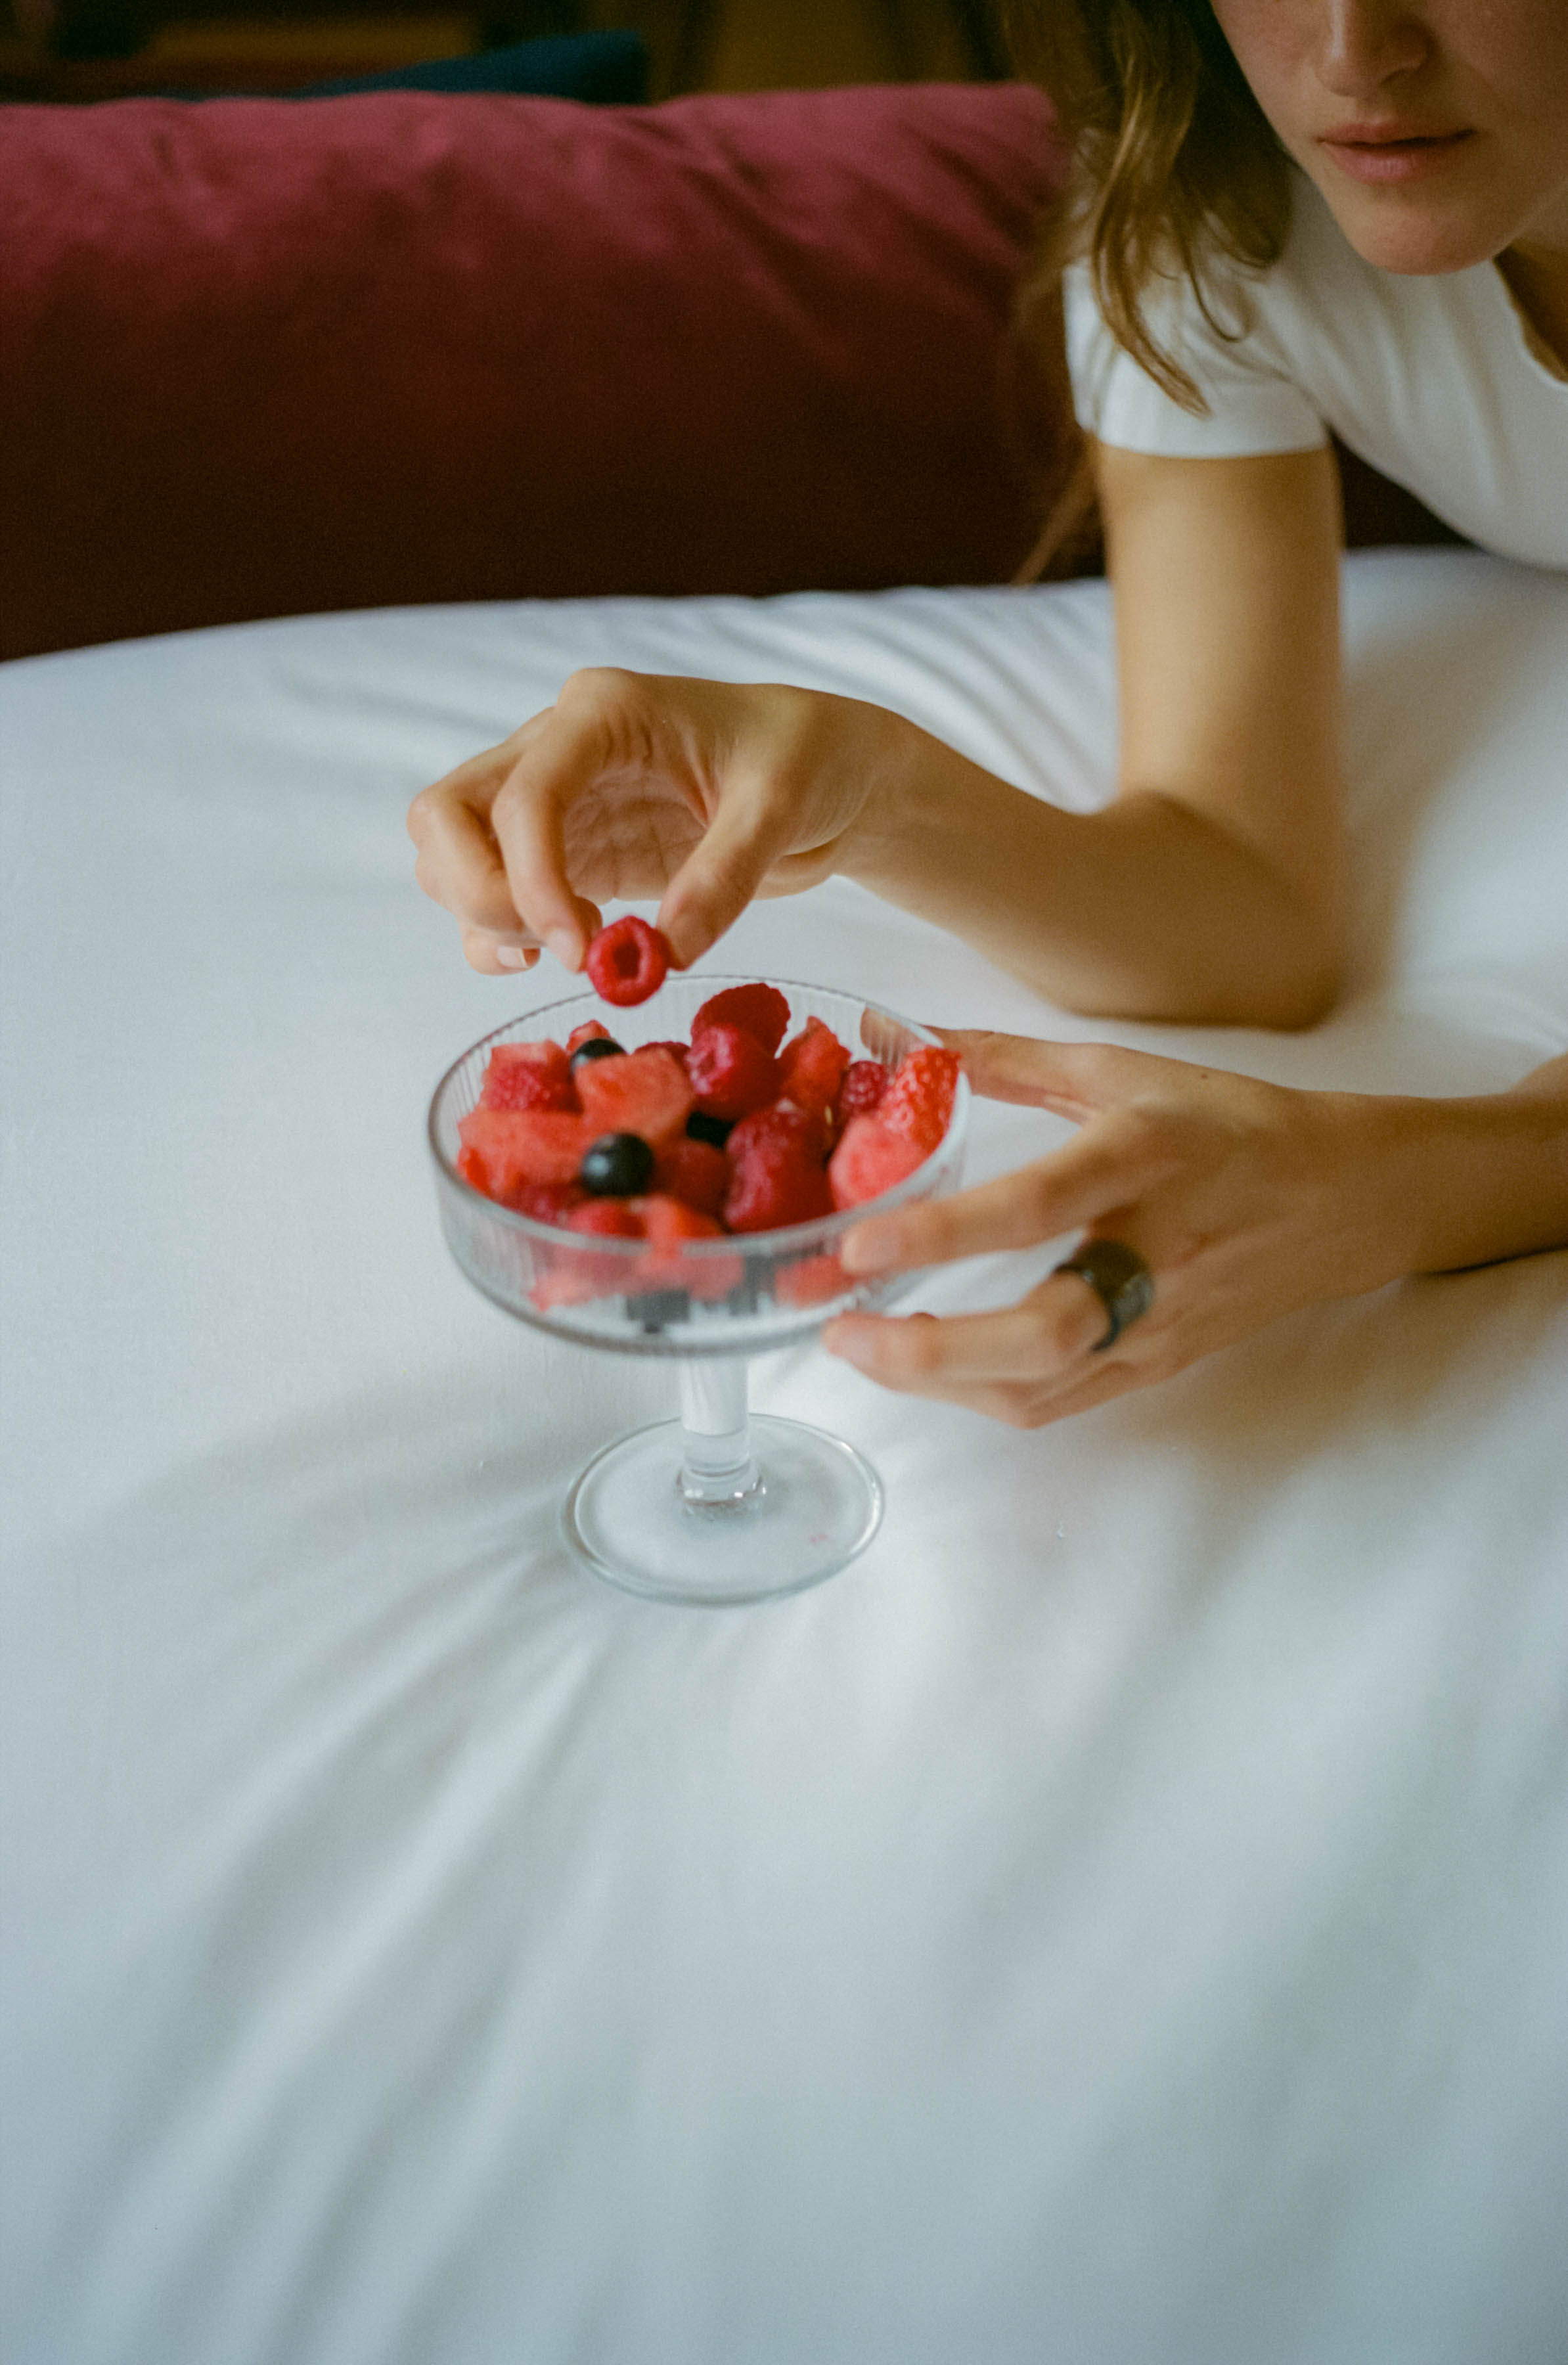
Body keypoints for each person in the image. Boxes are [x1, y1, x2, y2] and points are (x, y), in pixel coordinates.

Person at [407, 0, 1568, 1429]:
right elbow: (1252, 908)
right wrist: (872, 783)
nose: (1352, 52)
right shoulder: (1214, 216)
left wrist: (1393, 1186)